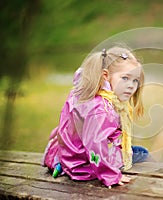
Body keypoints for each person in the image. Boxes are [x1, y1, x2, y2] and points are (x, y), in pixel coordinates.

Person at [42, 45, 149, 188]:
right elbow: (96, 146)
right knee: (144, 154)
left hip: (72, 154)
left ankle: (59, 161)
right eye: (125, 78)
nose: (131, 85)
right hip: (84, 166)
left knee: (138, 151)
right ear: (105, 75)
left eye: (135, 80)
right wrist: (111, 175)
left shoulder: (85, 91)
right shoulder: (101, 109)